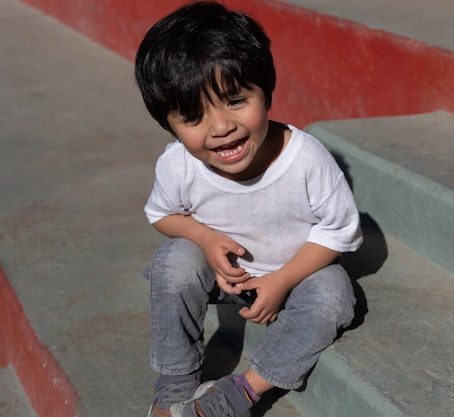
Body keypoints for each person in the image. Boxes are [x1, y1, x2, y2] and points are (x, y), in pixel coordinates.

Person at [134, 2, 363, 416]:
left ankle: (239, 393)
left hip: (294, 277)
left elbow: (338, 233)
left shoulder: (307, 159)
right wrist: (203, 237)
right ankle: (174, 384)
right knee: (174, 262)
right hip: (227, 279)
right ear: (168, 124)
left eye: (236, 100)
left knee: (333, 294)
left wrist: (282, 280)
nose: (221, 127)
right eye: (193, 116)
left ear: (267, 92)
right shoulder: (177, 164)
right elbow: (162, 215)